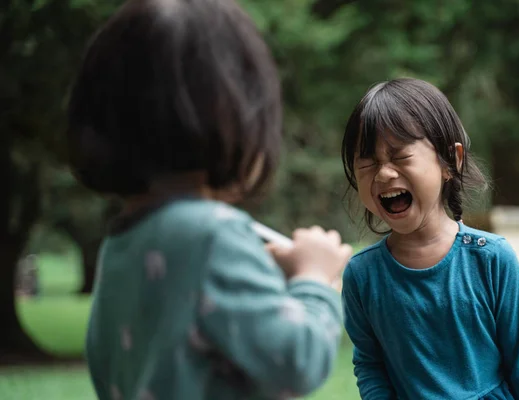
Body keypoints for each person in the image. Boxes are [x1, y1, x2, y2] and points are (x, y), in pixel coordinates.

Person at [66, 1, 352, 399]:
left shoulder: (122, 243)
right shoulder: (214, 235)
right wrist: (315, 280)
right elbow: (297, 360)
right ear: (237, 115)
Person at [340, 78, 519, 399]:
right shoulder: (362, 275)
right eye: (368, 162)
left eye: (399, 156)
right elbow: (370, 364)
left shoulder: (492, 259)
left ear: (451, 161)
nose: (383, 174)